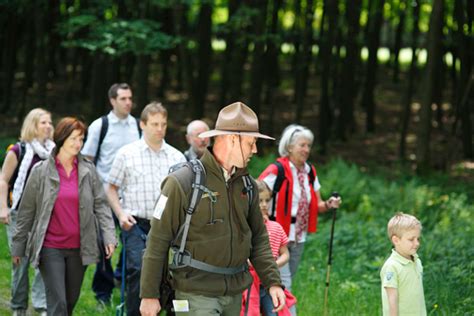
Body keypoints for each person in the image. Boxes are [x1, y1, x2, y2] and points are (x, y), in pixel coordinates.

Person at [140, 101, 286, 316]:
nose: (255, 149)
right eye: (251, 142)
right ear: (232, 138)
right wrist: (150, 294)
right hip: (195, 291)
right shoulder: (182, 182)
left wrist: (273, 282)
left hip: (235, 292)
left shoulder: (248, 186)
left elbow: (259, 239)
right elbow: (157, 240)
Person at [11, 117, 116, 316]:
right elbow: (26, 213)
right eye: (74, 138)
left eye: (81, 139)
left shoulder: (88, 170)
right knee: (58, 302)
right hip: (51, 247)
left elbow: (101, 205)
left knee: (68, 302)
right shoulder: (40, 171)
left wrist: (109, 236)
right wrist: (19, 246)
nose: (78, 144)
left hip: (79, 247)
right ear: (62, 138)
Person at [106, 102, 186, 316]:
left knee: (173, 273)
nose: (159, 129)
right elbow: (111, 188)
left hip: (170, 227)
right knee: (140, 270)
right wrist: (121, 214)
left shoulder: (177, 157)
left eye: (163, 124)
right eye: (154, 124)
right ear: (142, 124)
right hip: (137, 224)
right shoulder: (126, 154)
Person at [258, 124, 342, 294]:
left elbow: (317, 205)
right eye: (302, 145)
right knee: (284, 283)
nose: (306, 150)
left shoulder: (310, 171)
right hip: (276, 234)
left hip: (299, 236)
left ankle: (263, 307)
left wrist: (329, 204)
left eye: (309, 146)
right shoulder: (277, 170)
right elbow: (256, 193)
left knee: (283, 280)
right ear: (289, 147)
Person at [81, 82, 141, 306]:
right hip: (105, 197)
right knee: (105, 245)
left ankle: (121, 278)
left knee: (133, 243)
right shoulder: (101, 125)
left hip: (131, 198)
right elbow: (87, 158)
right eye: (123, 99)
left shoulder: (137, 125)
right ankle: (102, 293)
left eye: (130, 98)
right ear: (112, 101)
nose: (128, 103)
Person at [0, 108, 54, 316]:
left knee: (44, 261)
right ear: (32, 125)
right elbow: (4, 180)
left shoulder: (54, 152)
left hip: (45, 216)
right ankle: (18, 307)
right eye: (43, 122)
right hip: (19, 215)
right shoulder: (18, 151)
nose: (48, 126)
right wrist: (3, 207)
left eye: (50, 122)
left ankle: (41, 306)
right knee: (20, 263)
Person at [242, 180, 291, 316]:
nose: (264, 204)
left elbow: (285, 254)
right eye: (260, 200)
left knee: (273, 312)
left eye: (267, 200)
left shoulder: (276, 227)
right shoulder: (244, 227)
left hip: (269, 283)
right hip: (248, 284)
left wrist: (271, 265)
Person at [381, 212, 426, 316]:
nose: (417, 243)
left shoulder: (417, 261)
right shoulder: (392, 266)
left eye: (418, 239)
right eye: (411, 239)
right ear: (396, 240)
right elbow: (392, 300)